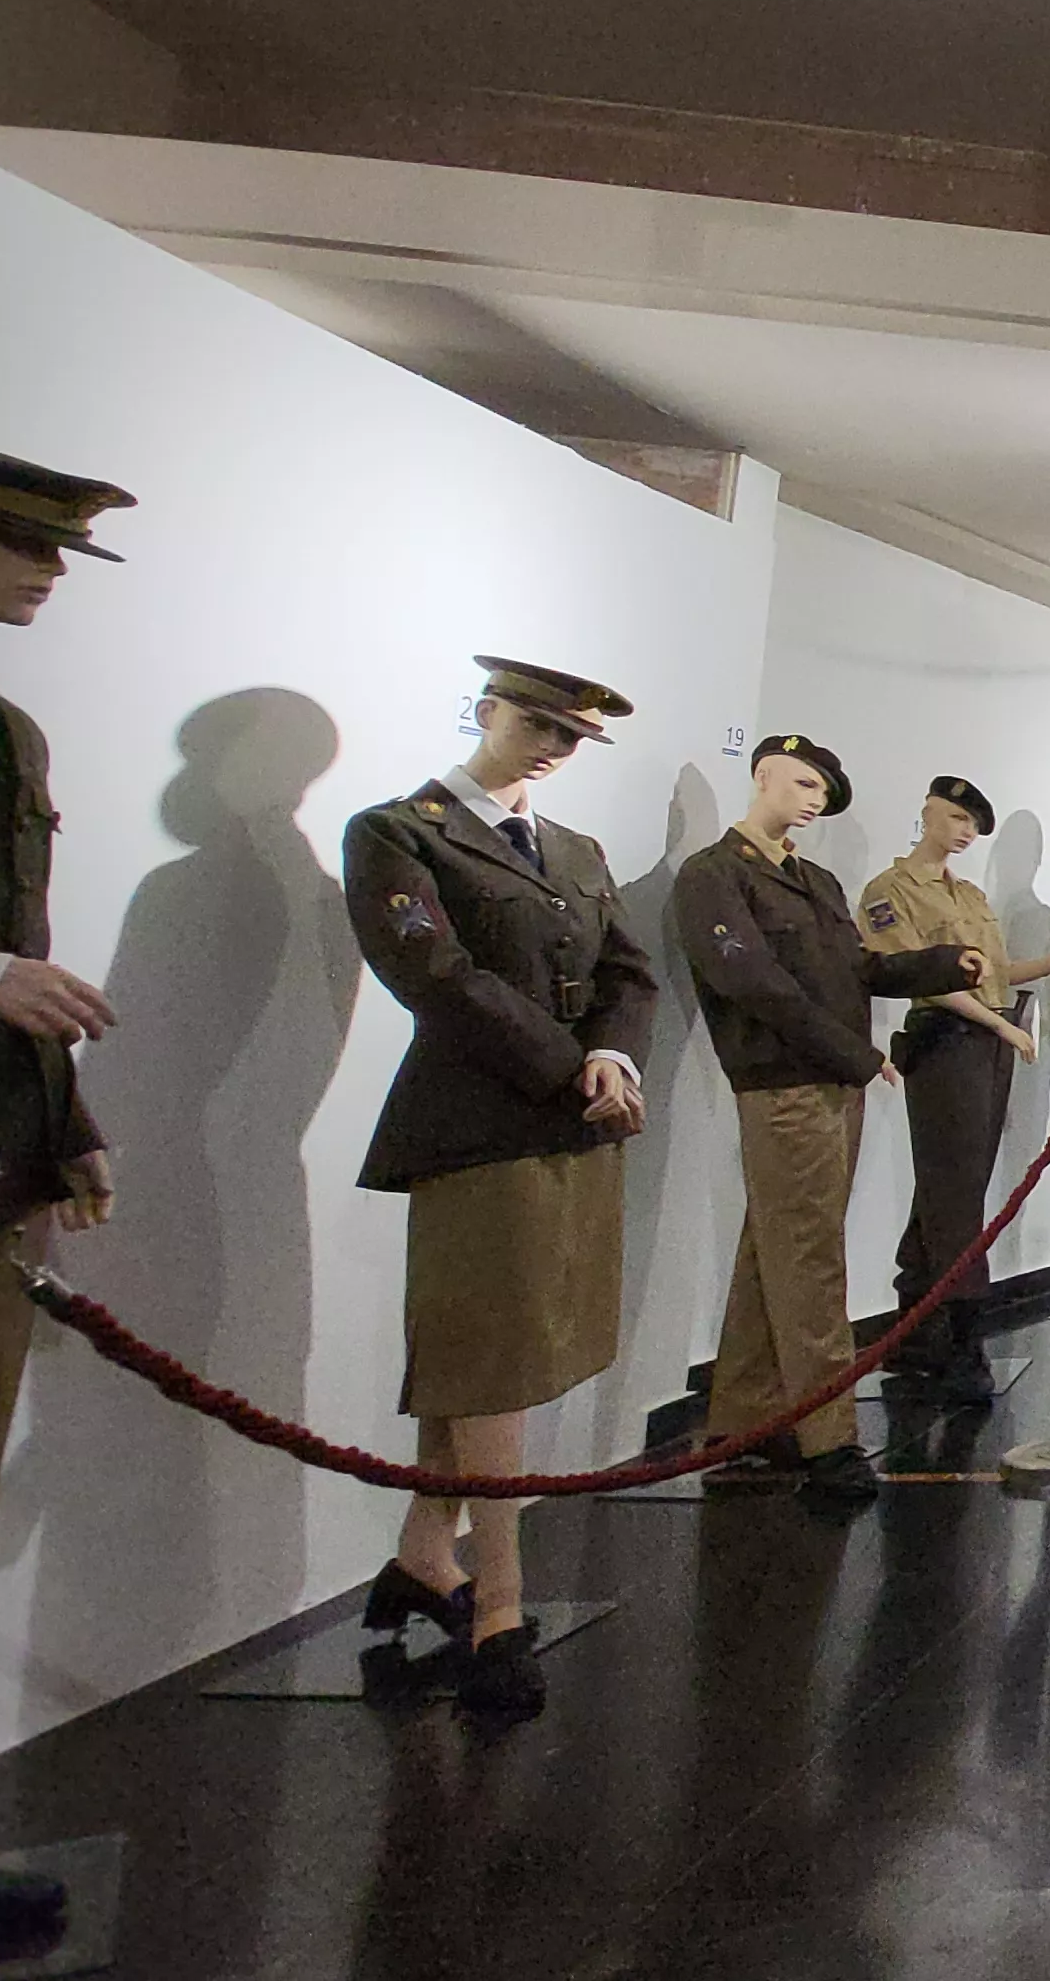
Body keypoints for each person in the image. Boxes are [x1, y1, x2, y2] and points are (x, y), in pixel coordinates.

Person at [341, 655, 661, 1717]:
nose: (552, 746)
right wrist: (569, 1064)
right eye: (535, 723)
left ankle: (426, 1554)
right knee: (490, 1358)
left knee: (500, 1356)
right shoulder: (400, 830)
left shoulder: (574, 849)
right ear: (485, 711)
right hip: (476, 1125)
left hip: (576, 1122)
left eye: (572, 736)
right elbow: (435, 972)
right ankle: (500, 1602)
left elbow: (628, 971)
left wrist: (613, 1056)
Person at [668, 736, 982, 1512]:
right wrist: (856, 1053)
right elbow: (754, 984)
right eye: (804, 783)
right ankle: (826, 1435)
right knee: (809, 1258)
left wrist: (939, 964)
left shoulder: (811, 878)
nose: (813, 801)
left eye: (823, 793)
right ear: (762, 776)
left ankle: (742, 1417)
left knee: (772, 1249)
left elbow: (857, 967)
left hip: (827, 1081)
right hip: (785, 1084)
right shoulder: (714, 876)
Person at [0, 450, 128, 1949]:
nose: (50, 570)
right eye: (23, 543)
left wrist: (63, 1121)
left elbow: (21, 944)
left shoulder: (3, 732)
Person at [857, 777, 1050, 1400]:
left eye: (974, 822)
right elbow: (915, 976)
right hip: (944, 1041)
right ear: (927, 814)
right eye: (955, 816)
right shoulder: (889, 893)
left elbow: (995, 973)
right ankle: (961, 1338)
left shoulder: (968, 893)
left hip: (985, 1044)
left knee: (951, 1190)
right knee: (955, 1197)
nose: (966, 830)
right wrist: (1002, 1024)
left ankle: (918, 1332)